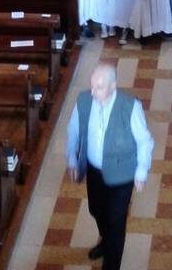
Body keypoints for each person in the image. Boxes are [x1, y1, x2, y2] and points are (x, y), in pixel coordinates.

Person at [65, 62, 154, 270]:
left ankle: (111, 263)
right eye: (92, 86)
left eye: (99, 87)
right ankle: (106, 242)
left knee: (116, 221)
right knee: (96, 209)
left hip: (122, 174)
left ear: (113, 86)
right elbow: (73, 130)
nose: (93, 92)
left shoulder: (130, 106)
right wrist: (71, 158)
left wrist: (141, 172)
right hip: (95, 171)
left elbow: (144, 141)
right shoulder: (84, 100)